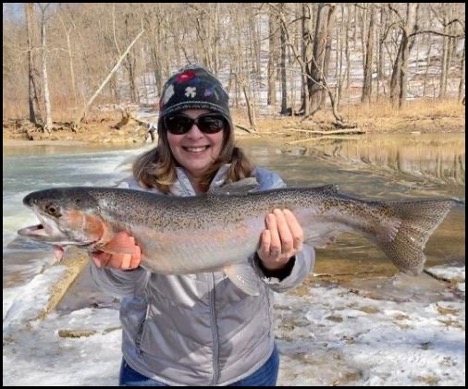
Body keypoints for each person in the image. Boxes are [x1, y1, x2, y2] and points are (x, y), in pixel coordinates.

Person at [88, 64, 315, 386]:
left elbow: (298, 268)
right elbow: (115, 287)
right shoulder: (131, 195)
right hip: (157, 370)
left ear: (226, 129)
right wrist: (121, 269)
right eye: (180, 123)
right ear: (165, 133)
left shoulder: (265, 186)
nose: (195, 135)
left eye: (209, 122)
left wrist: (280, 264)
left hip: (250, 364)